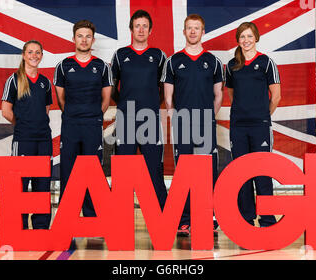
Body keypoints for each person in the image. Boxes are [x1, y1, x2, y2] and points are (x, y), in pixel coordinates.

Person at [161, 14, 224, 237]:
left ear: (203, 31)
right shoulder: (173, 61)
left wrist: (208, 118)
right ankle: (185, 219)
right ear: (184, 31)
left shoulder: (214, 61)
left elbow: (219, 96)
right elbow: (168, 98)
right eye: (189, 28)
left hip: (206, 124)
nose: (193, 32)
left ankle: (209, 216)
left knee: (208, 171)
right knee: (184, 173)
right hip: (182, 124)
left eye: (197, 28)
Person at [225, 22, 281, 228]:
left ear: (256, 37)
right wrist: (244, 113)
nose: (246, 40)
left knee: (262, 172)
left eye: (249, 36)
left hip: (260, 126)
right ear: (238, 40)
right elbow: (232, 96)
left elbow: (276, 96)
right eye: (242, 37)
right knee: (241, 173)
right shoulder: (232, 65)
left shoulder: (267, 63)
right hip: (239, 126)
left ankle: (267, 219)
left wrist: (263, 116)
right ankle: (246, 220)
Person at [54, 20, 113, 217]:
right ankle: (67, 216)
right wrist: (74, 113)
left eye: (88, 36)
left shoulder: (102, 66)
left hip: (92, 125)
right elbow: (61, 99)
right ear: (74, 39)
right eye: (80, 36)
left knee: (92, 171)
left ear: (93, 40)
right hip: (71, 125)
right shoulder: (63, 66)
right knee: (68, 171)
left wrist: (94, 115)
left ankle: (92, 215)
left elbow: (106, 99)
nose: (84, 40)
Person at [110, 9, 168, 210]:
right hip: (126, 119)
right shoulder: (120, 55)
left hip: (150, 119)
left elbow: (164, 88)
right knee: (123, 169)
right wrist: (124, 105)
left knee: (153, 169)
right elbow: (111, 88)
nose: (141, 29)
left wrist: (152, 103)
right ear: (131, 29)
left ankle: (162, 216)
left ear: (150, 30)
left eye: (145, 26)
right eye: (137, 26)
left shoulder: (159, 56)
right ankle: (119, 217)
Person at [1, 40, 53, 230]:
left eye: (38, 52)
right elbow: (6, 110)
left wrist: (35, 125)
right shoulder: (14, 80)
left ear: (41, 56)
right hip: (23, 140)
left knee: (42, 184)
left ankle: (41, 227)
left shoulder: (45, 82)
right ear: (24, 55)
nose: (34, 55)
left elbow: (45, 110)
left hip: (44, 141)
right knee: (20, 184)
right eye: (30, 52)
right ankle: (19, 226)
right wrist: (23, 124)